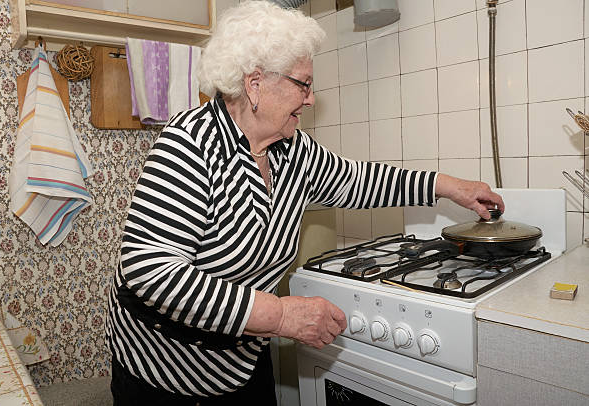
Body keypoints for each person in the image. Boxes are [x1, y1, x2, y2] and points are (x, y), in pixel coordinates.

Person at [105, 1, 505, 405]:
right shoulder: (190, 144)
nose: (311, 99)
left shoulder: (291, 148)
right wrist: (280, 315)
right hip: (162, 368)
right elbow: (148, 269)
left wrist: (449, 186)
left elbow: (359, 181)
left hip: (240, 358)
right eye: (303, 83)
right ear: (255, 83)